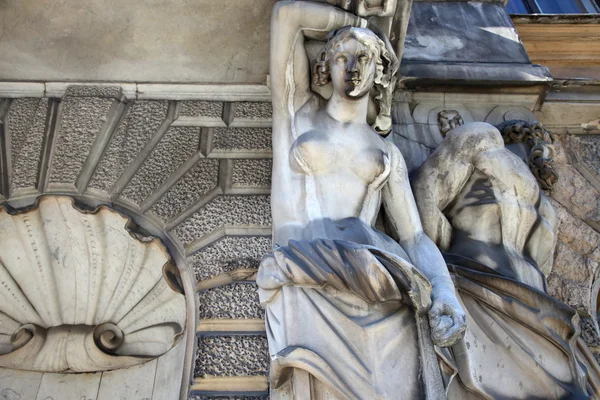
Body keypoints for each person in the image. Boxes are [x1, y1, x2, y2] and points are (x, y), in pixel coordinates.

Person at [257, 1, 466, 398]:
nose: (352, 67)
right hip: (306, 267)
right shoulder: (296, 113)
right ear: (325, 67)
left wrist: (444, 292)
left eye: (365, 58)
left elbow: (414, 237)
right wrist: (359, 24)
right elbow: (286, 14)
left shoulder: (387, 154)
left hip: (378, 277)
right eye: (341, 57)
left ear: (379, 71)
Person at [412, 120, 600, 398]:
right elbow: (544, 265)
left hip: (482, 282)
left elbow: (422, 196)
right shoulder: (545, 210)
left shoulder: (479, 139)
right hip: (530, 301)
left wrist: (437, 248)